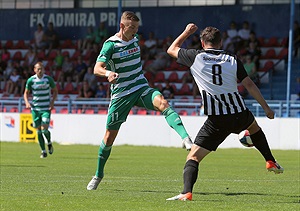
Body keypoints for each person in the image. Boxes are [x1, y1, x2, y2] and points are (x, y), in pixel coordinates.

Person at [165, 24, 284, 201]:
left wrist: (186, 32)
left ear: (202, 42)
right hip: (238, 112)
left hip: (217, 120)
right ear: (221, 42)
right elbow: (249, 84)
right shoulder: (232, 59)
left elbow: (171, 50)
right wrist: (266, 108)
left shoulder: (195, 57)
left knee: (194, 157)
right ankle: (270, 160)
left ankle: (186, 192)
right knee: (254, 127)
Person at [86, 11, 193, 191]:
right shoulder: (110, 45)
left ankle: (186, 139)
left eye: (137, 28)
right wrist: (108, 73)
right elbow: (97, 68)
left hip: (140, 87)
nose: (135, 31)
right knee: (109, 137)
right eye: (132, 27)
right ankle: (98, 174)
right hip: (121, 95)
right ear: (122, 26)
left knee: (163, 103)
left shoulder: (135, 40)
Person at [24, 62, 58, 158]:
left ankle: (49, 142)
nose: (40, 70)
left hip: (46, 108)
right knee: (38, 131)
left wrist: (52, 102)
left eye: (41, 69)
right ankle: (43, 151)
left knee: (44, 130)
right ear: (34, 70)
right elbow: (26, 93)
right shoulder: (31, 80)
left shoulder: (48, 79)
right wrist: (27, 102)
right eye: (38, 69)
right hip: (35, 109)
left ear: (44, 69)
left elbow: (55, 91)